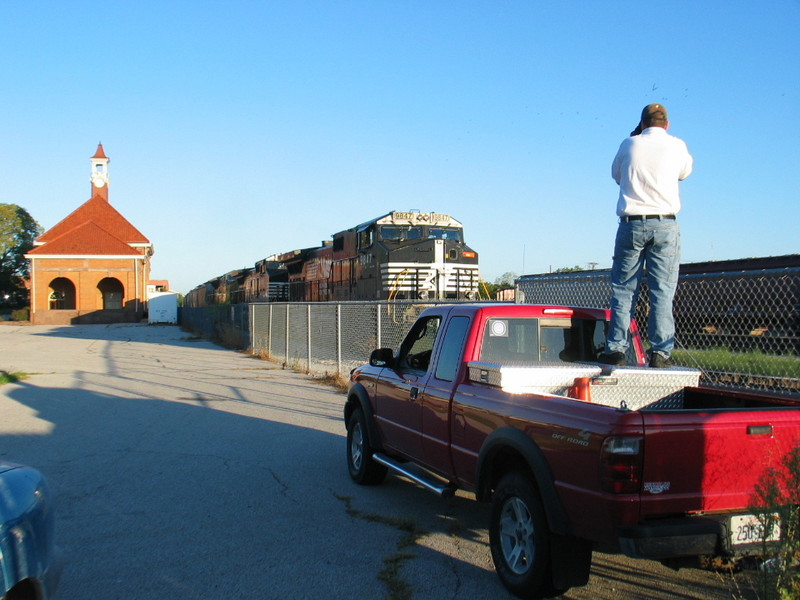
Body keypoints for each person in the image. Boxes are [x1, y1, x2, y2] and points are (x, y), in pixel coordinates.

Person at [599, 103, 693, 368]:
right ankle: (660, 352)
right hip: (665, 224)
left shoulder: (629, 144)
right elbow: (685, 173)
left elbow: (616, 175)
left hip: (631, 223)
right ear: (667, 124)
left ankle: (616, 348)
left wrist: (635, 138)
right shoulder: (677, 145)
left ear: (642, 123)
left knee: (623, 288)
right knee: (662, 290)